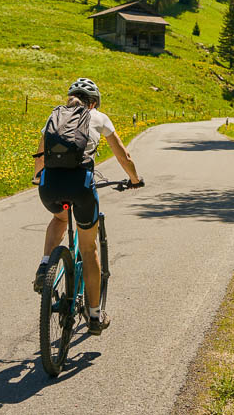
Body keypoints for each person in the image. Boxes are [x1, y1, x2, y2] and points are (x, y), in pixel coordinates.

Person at [32, 77, 142, 335]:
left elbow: (40, 156)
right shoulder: (99, 118)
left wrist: (38, 178)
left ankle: (46, 265)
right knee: (89, 248)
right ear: (93, 102)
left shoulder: (55, 116)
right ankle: (94, 315)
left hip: (50, 187)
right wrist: (135, 179)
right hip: (80, 187)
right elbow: (123, 156)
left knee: (60, 218)